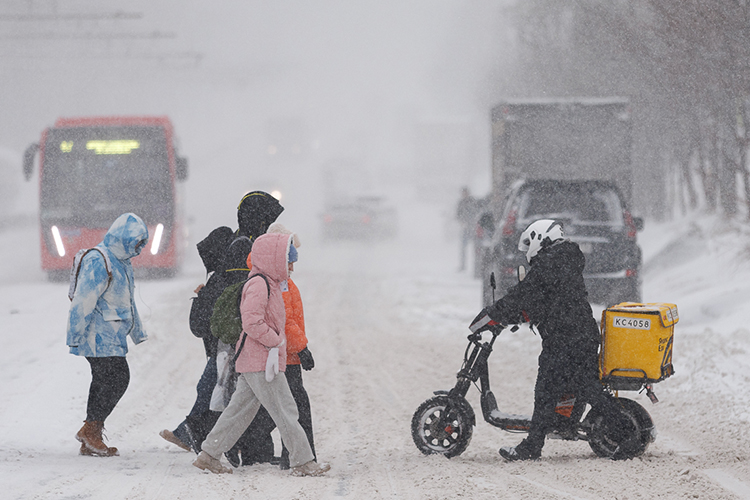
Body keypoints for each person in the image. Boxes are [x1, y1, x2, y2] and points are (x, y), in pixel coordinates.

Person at [470, 219, 630, 461]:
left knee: (548, 390)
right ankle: (570, 425)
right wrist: (517, 315)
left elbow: (523, 294)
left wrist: (491, 315)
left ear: (541, 239)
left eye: (529, 244)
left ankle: (534, 446)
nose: (528, 252)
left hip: (567, 339)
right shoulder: (562, 259)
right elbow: (546, 299)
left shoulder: (549, 263)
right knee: (584, 386)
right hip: (577, 335)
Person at [192, 232, 330, 477]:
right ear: (274, 260)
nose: (292, 267)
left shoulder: (268, 283)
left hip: (257, 360)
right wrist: (276, 341)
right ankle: (303, 462)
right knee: (286, 409)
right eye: (289, 262)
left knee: (238, 412)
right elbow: (252, 322)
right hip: (262, 360)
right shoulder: (259, 284)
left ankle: (209, 455)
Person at [211, 191, 285, 466]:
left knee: (240, 398)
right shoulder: (246, 249)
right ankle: (229, 446)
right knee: (234, 395)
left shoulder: (248, 243)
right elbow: (249, 311)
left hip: (242, 338)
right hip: (242, 339)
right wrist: (274, 339)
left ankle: (237, 450)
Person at [67, 213, 149, 457]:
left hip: (113, 336)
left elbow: (128, 302)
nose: (139, 249)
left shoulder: (122, 261)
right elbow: (83, 300)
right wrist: (75, 335)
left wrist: (137, 332)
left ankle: (91, 433)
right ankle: (91, 430)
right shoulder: (99, 260)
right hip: (97, 336)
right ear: (124, 238)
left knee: (105, 380)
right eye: (137, 243)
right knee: (118, 378)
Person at [246, 223, 317, 470]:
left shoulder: (275, 278)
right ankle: (301, 458)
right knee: (295, 407)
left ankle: (262, 451)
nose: (292, 265)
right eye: (289, 257)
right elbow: (284, 320)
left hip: (284, 353)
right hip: (284, 353)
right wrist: (301, 347)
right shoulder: (276, 282)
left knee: (274, 407)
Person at [160, 226, 234, 453]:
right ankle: (190, 433)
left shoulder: (223, 277)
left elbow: (211, 315)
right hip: (221, 345)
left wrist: (204, 296)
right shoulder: (225, 273)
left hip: (224, 345)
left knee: (211, 388)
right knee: (213, 388)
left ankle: (191, 433)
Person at [456, 186, 478, 271]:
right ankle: (463, 266)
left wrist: (474, 223)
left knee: (476, 248)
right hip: (465, 229)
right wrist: (462, 222)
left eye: (465, 193)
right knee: (463, 249)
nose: (464, 194)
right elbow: (458, 215)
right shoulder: (461, 203)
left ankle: (476, 266)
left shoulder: (473, 202)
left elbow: (476, 213)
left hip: (473, 229)